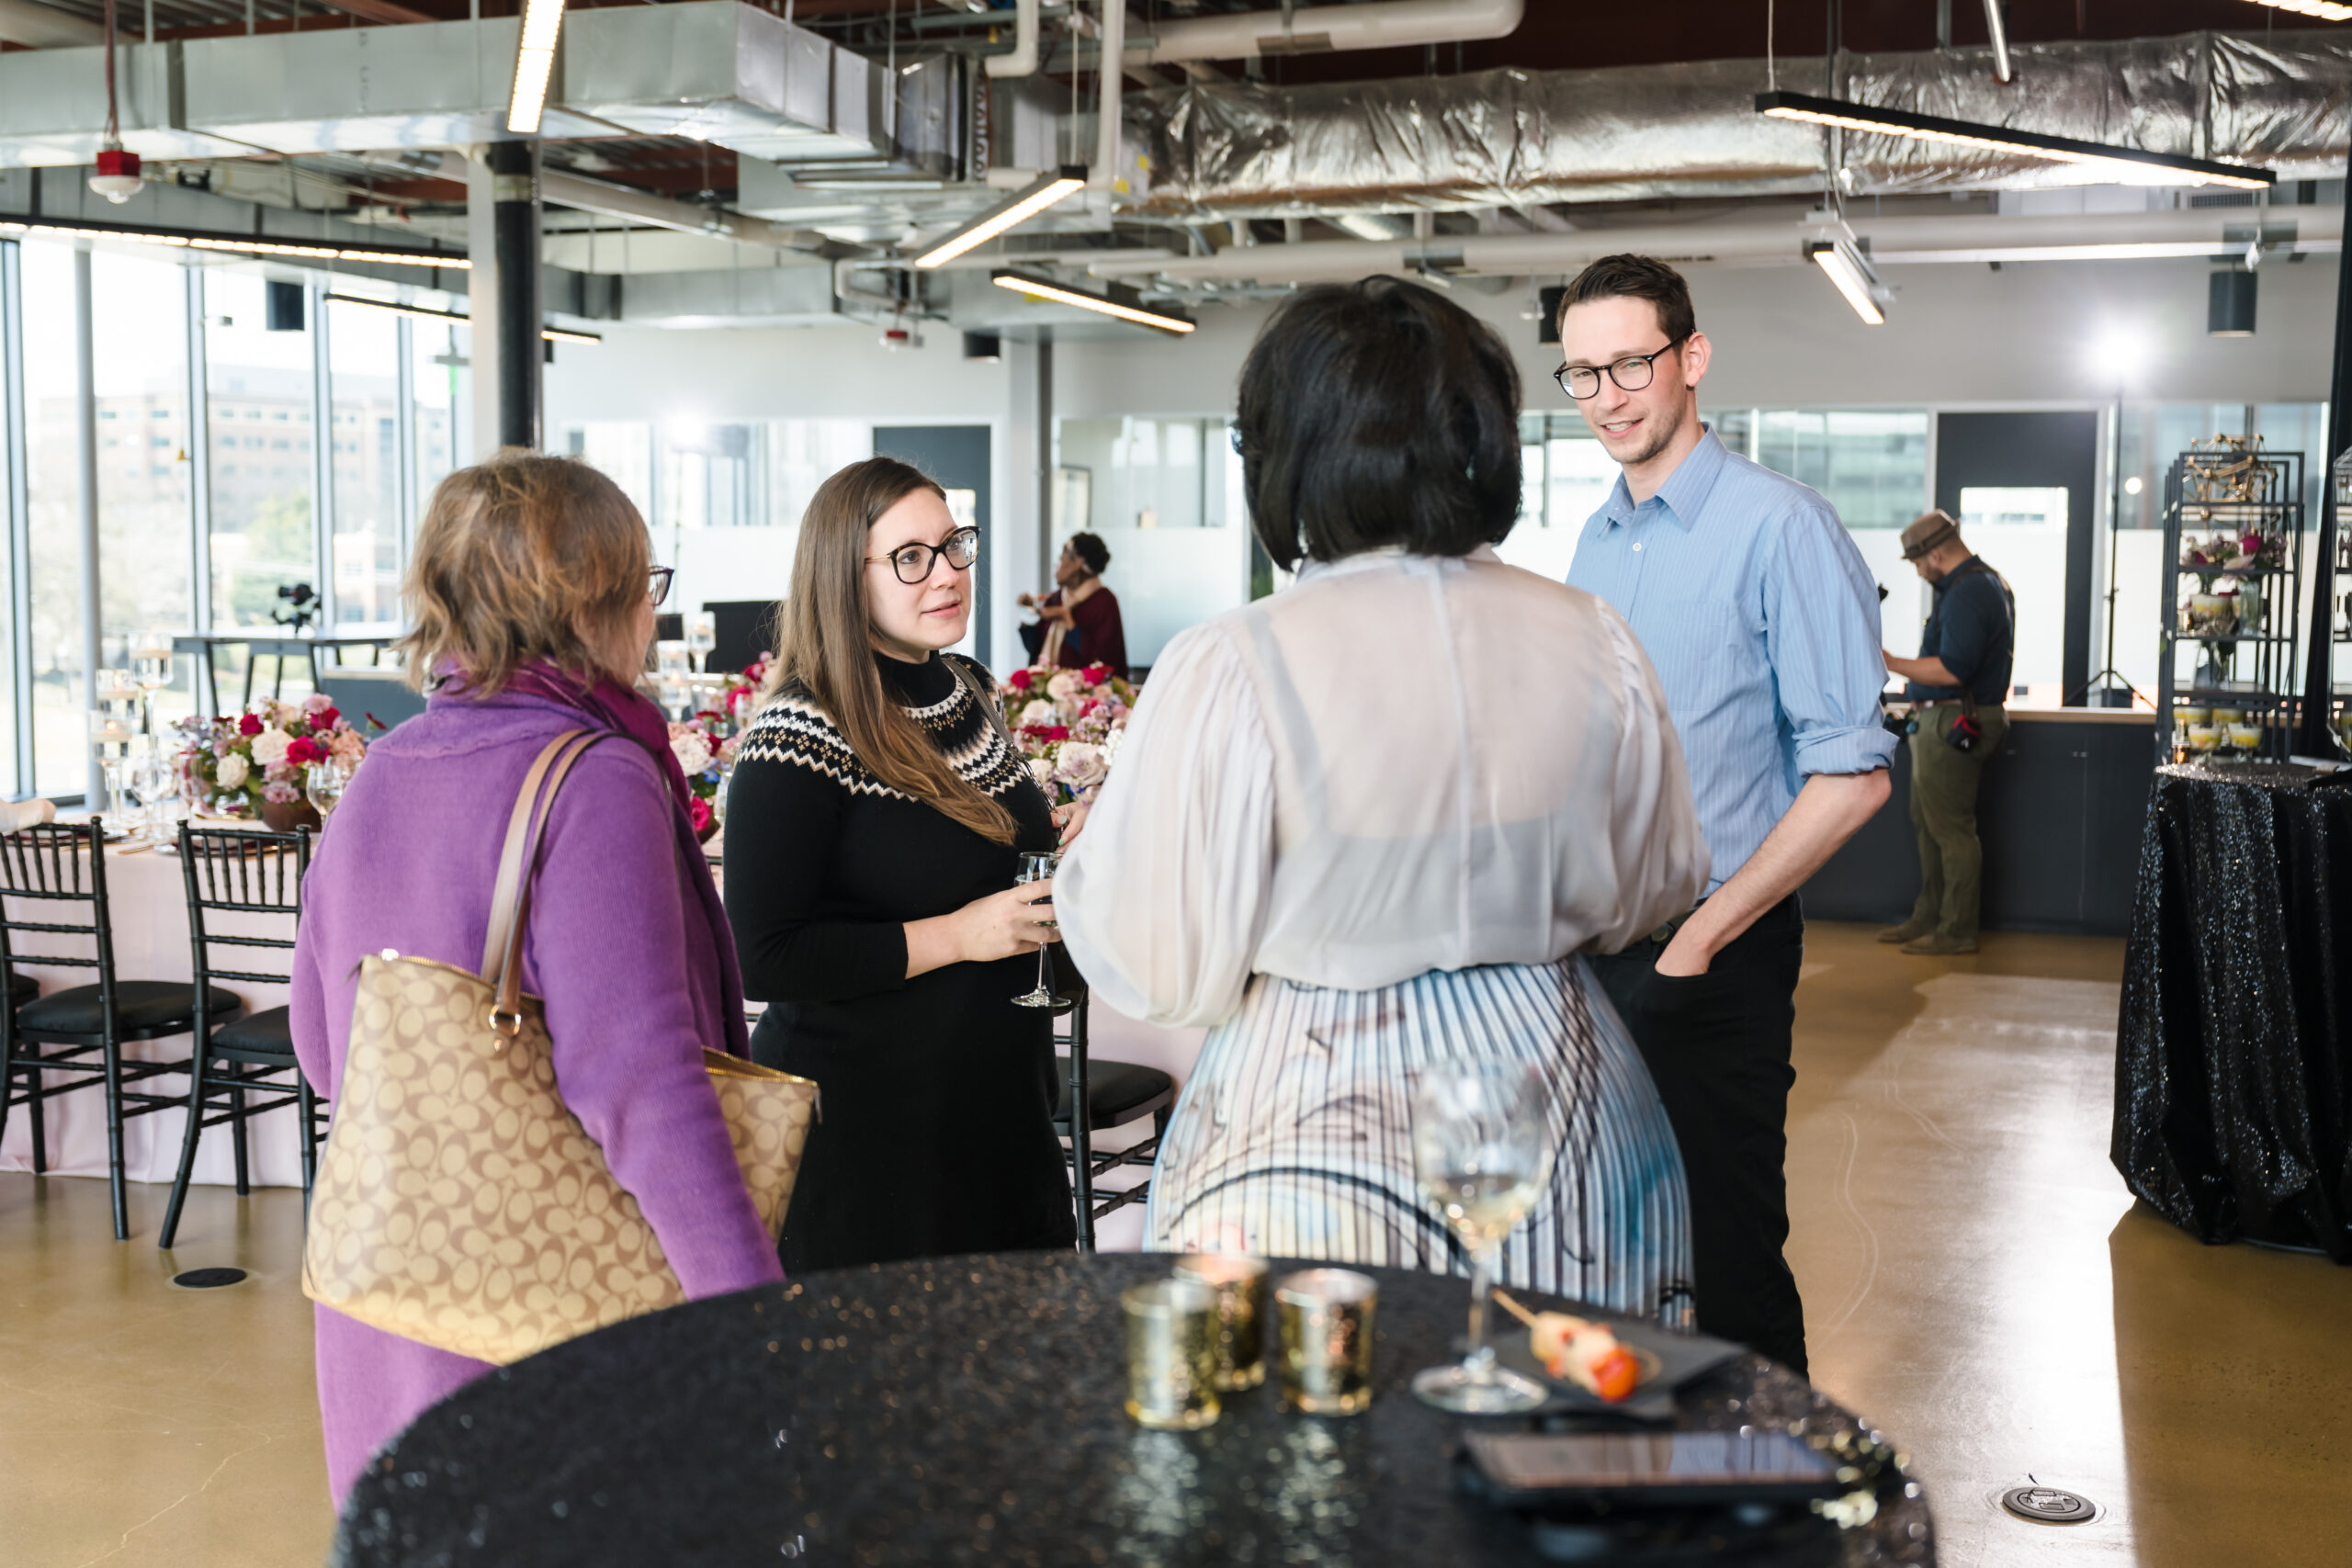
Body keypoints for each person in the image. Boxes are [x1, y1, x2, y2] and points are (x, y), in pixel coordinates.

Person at [1057, 277, 1709, 1320]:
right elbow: (1656, 886)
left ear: (1285, 451)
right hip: (1567, 1117)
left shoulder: (1233, 661)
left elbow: (1159, 965)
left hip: (1307, 1130)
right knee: (1561, 1401)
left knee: (1319, 1413)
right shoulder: (1594, 635)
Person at [288, 452, 784, 1507]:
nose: (651, 617)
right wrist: (751, 1316)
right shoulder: (593, 777)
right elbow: (641, 1085)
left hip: (394, 1301)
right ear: (589, 601)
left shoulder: (378, 774)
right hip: (555, 1311)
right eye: (645, 588)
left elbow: (326, 1057)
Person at [1556, 254, 1894, 1378]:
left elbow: (1851, 777)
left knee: (1728, 1260)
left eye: (1630, 365)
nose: (1607, 396)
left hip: (1710, 956)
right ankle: (1649, 1473)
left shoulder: (1782, 526)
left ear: (1690, 357)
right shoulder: (1596, 538)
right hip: (1594, 953)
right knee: (1615, 1252)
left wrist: (1697, 943)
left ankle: (1768, 1480)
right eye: (1581, 374)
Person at [723, 457, 1078, 1272]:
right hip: (869, 1144)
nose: (947, 573)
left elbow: (967, 855)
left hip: (999, 1118)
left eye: (954, 545)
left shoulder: (969, 689)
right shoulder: (799, 732)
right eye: (910, 557)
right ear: (843, 577)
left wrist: (1066, 845)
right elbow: (765, 955)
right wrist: (958, 935)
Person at [1879, 510, 2015, 956]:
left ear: (1935, 554)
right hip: (1944, 720)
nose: (1919, 572)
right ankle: (1930, 915)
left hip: (1953, 720)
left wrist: (1889, 661)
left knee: (1951, 831)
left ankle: (1955, 931)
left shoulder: (1969, 591)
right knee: (1929, 824)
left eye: (1919, 562)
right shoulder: (1975, 585)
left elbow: (1953, 670)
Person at [1017, 532, 1129, 676]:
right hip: (1050, 686)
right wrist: (1028, 612)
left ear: (1078, 563)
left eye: (1062, 557)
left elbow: (1103, 661)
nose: (1057, 564)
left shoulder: (1104, 601)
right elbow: (1035, 649)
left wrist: (1067, 619)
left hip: (1085, 688)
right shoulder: (1057, 597)